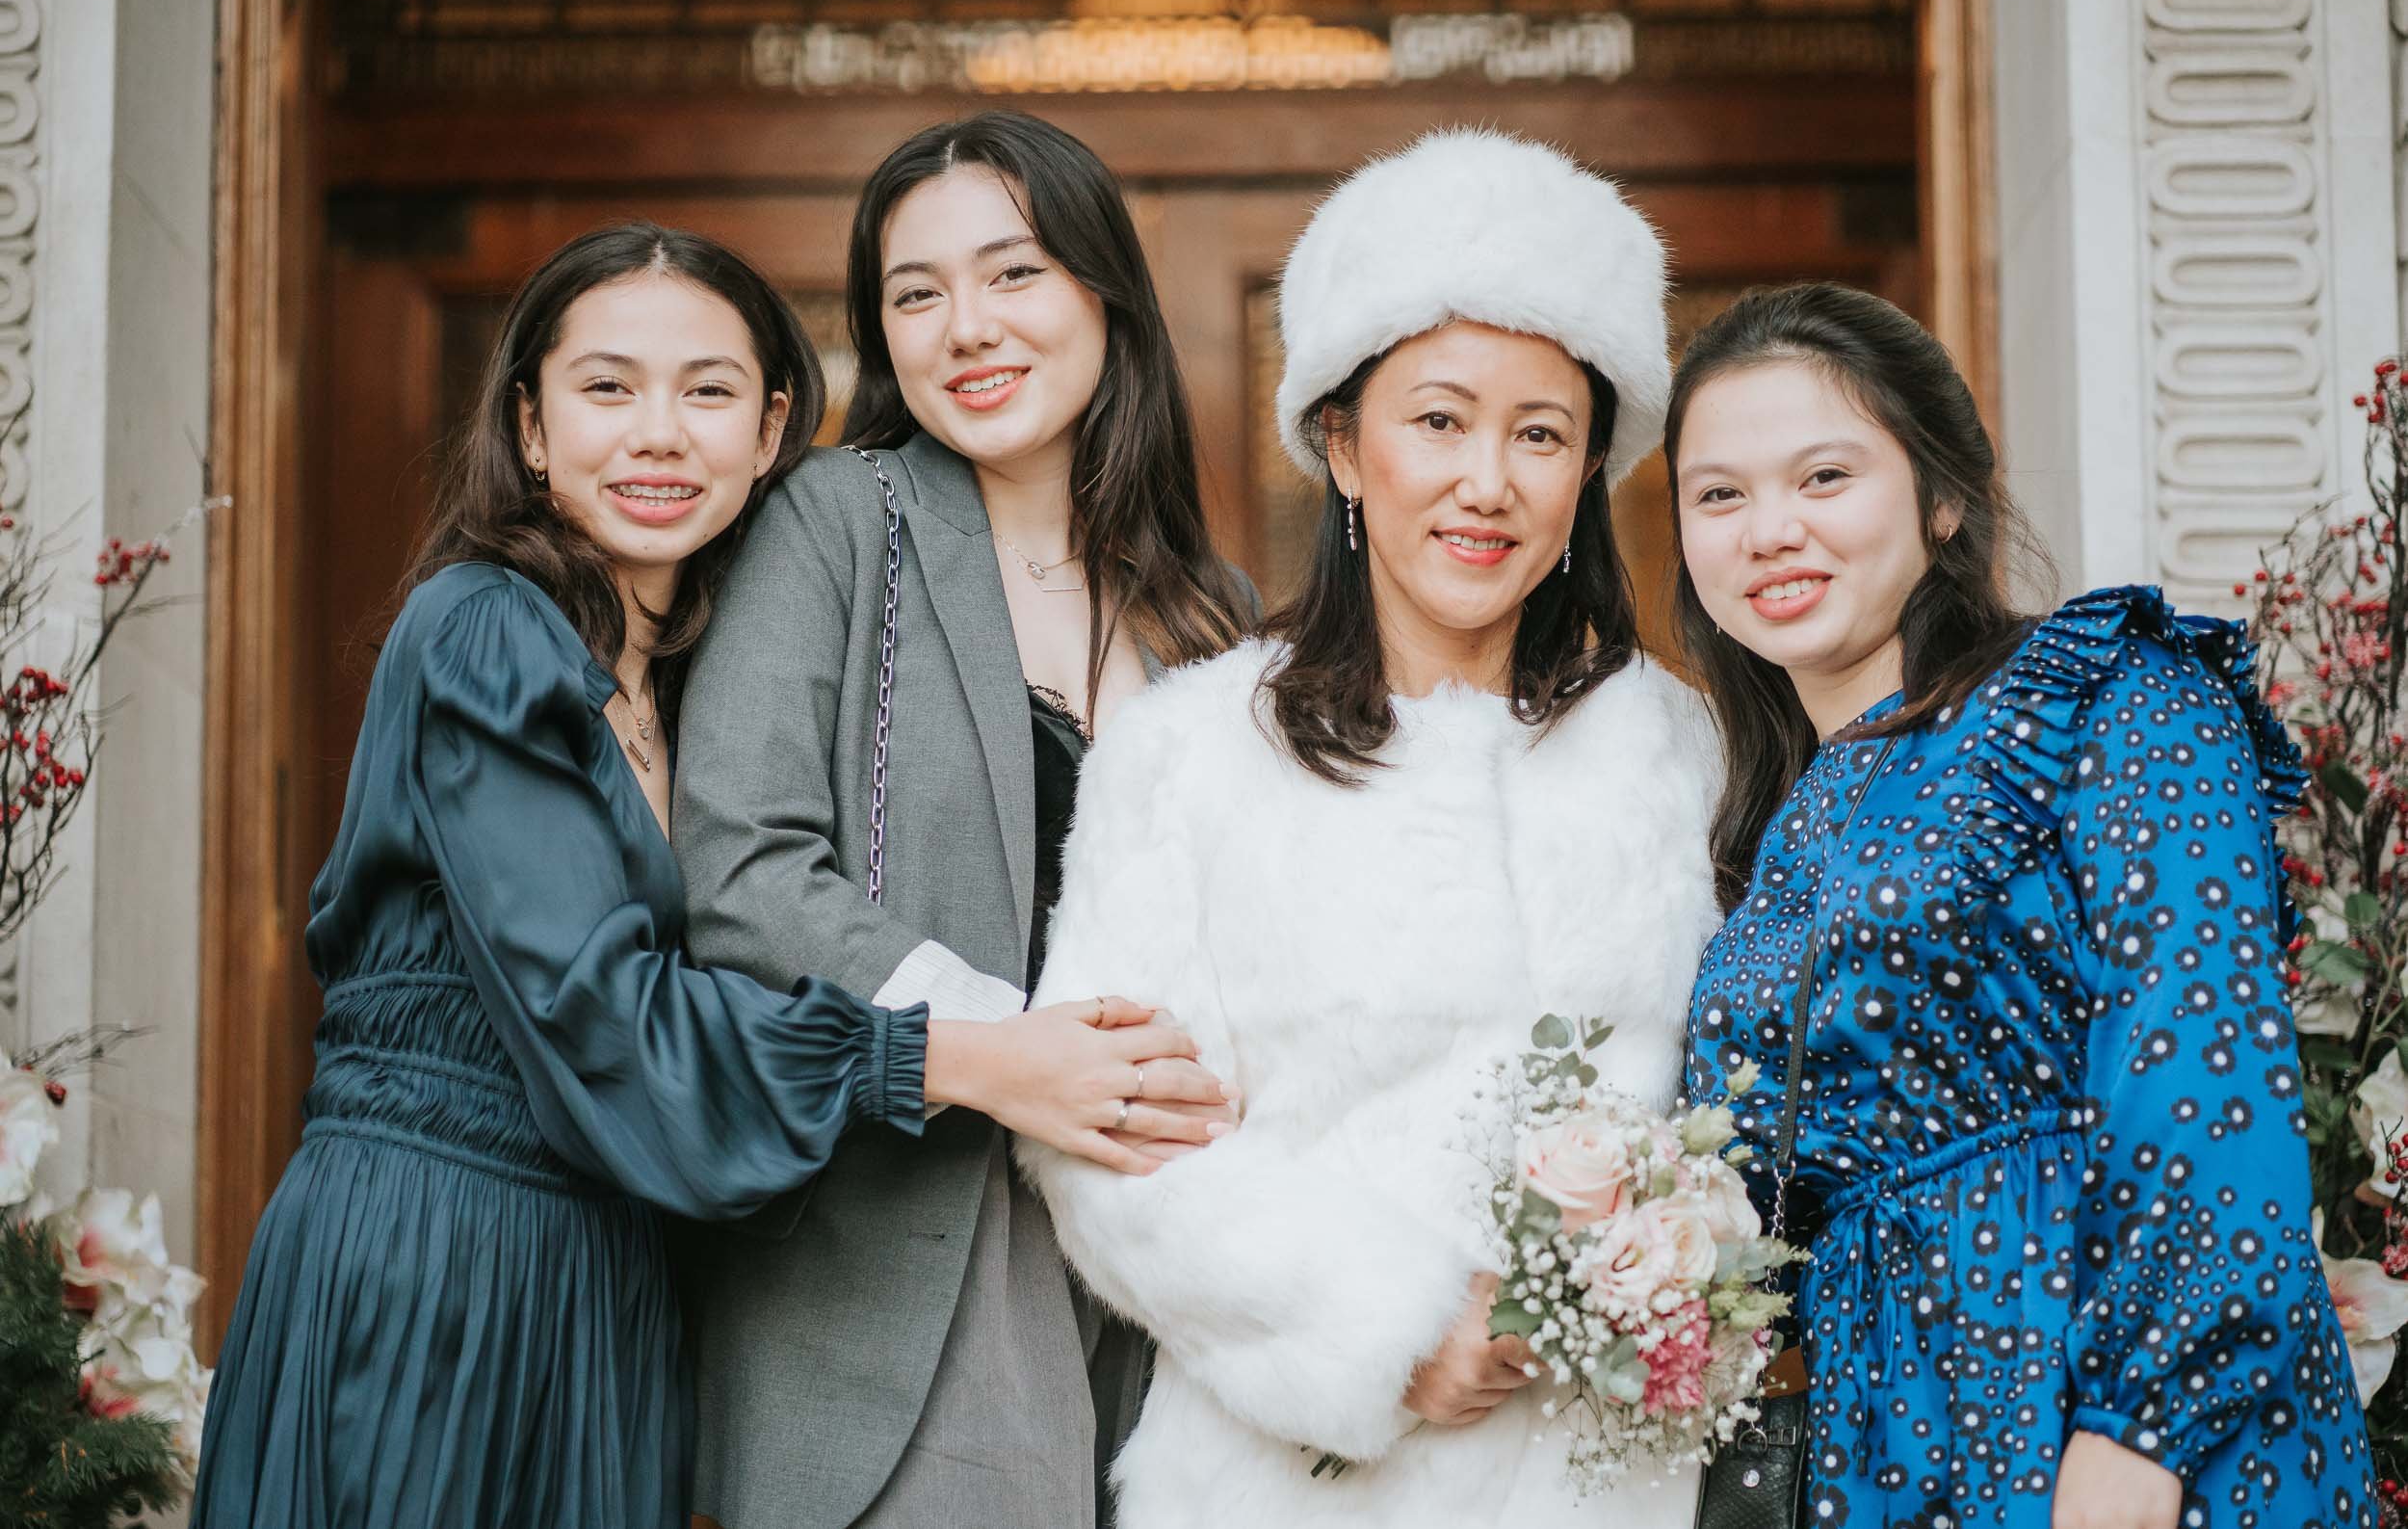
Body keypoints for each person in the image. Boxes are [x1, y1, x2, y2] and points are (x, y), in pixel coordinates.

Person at [189, 223, 1212, 1529]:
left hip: (610, 1282)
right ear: (532, 428)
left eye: (709, 391)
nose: (659, 434)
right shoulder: (484, 633)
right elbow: (605, 1016)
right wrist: (954, 1058)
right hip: (437, 1260)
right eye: (607, 389)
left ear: (776, 428)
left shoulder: (680, 670)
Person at [1017, 128, 1721, 1529]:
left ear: (1587, 473)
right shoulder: (1191, 752)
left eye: (1541, 434)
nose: (1488, 482)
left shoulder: (1680, 745)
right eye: (1439, 420)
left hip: (1611, 1485)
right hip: (1290, 1486)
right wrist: (1389, 1331)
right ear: (1342, 444)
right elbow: (1107, 1142)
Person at [1671, 280, 2376, 1528]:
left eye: (1824, 477)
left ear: (1943, 502)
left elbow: (2203, 1074)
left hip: (2108, 1419)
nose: (1768, 529)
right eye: (1719, 495)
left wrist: (2135, 1443)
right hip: (1880, 1438)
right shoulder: (1763, 841)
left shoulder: (2107, 697)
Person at [669, 114, 1252, 1529]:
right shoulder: (834, 517)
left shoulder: (1206, 610)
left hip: (1174, 1281)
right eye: (915, 294)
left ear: (1103, 292)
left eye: (1012, 274)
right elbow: (741, 868)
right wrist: (999, 1053)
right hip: (912, 1257)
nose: (964, 327)